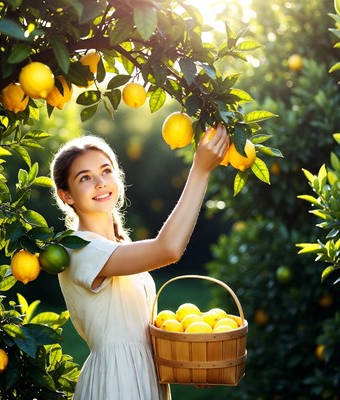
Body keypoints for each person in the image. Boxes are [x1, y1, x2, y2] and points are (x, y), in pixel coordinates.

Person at [50, 123, 228, 400]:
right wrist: (200, 171)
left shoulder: (119, 248)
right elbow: (168, 249)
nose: (100, 182)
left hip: (147, 377)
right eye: (85, 178)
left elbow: (140, 330)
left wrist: (187, 363)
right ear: (67, 195)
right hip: (116, 381)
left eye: (106, 171)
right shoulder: (77, 248)